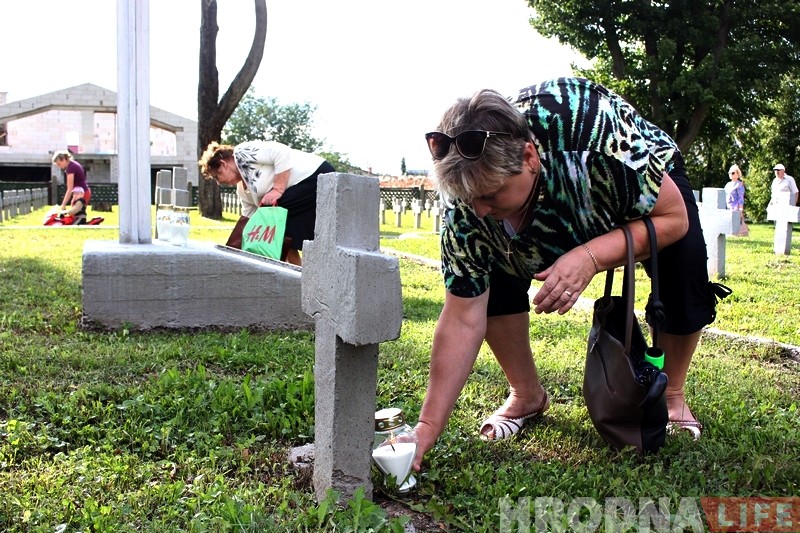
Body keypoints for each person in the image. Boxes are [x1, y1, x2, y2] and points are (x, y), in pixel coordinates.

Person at [412, 77, 730, 472]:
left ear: (529, 157)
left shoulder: (597, 146)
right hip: (554, 200)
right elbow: (462, 317)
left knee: (683, 269)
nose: (477, 210)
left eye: (490, 196)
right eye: (467, 199)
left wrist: (590, 256)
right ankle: (526, 395)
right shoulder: (466, 205)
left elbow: (673, 217)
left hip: (640, 181)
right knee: (491, 272)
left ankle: (673, 394)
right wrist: (427, 426)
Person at [198, 140, 335, 266]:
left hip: (314, 174)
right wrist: (234, 248)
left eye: (217, 175)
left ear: (223, 164)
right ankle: (298, 271)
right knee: (275, 222)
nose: (218, 182)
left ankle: (297, 270)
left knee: (276, 217)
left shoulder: (241, 153)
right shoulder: (242, 190)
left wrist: (277, 189)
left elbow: (282, 152)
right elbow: (249, 219)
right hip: (297, 193)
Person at [53, 150, 91, 217]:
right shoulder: (73, 164)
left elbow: (70, 189)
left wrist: (63, 204)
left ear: (64, 159)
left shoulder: (71, 168)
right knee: (76, 215)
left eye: (59, 163)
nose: (59, 166)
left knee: (75, 215)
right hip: (83, 192)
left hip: (81, 194)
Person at [725, 164, 747, 236]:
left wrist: (740, 209)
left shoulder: (739, 184)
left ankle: (741, 233)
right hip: (728, 206)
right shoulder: (727, 185)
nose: (731, 174)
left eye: (733, 173)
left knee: (737, 223)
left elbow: (741, 198)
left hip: (735, 207)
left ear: (737, 174)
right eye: (729, 173)